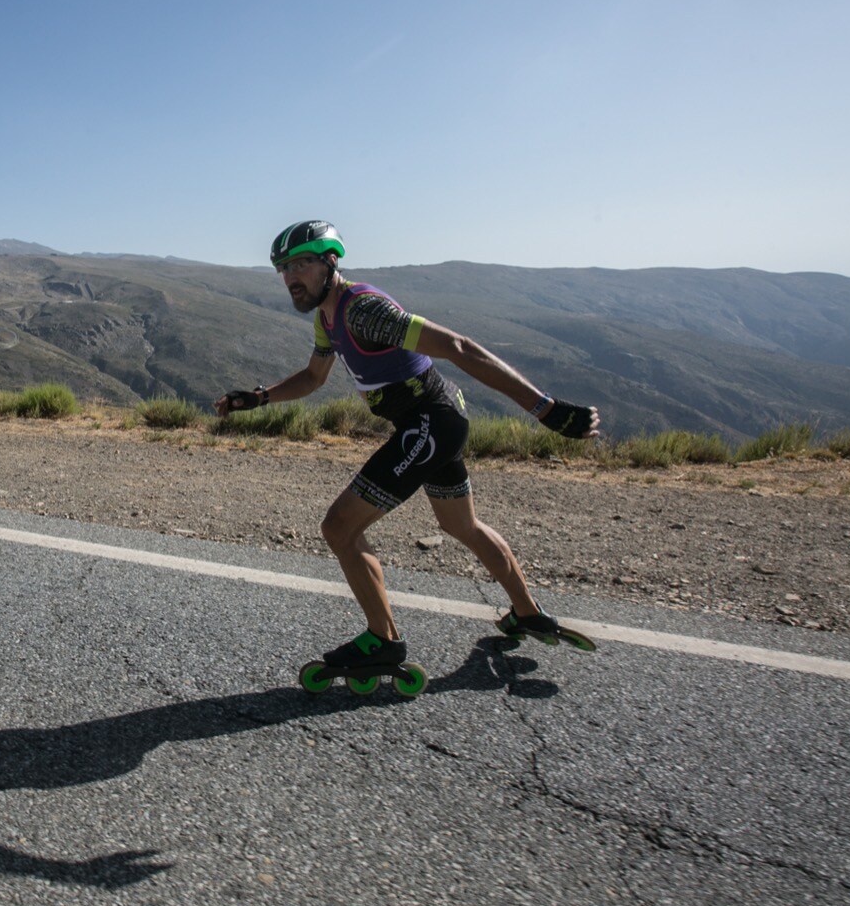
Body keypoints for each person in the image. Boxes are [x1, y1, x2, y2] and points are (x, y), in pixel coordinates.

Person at [215, 220, 601, 672]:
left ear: (330, 262)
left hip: (429, 423)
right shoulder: (328, 316)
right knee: (463, 526)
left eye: (301, 264)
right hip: (438, 422)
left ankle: (383, 641)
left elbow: (458, 346)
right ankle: (527, 612)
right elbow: (313, 378)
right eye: (284, 268)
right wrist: (259, 397)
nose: (291, 278)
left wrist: (543, 408)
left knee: (340, 528)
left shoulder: (364, 311)